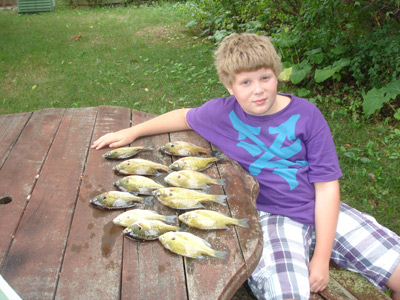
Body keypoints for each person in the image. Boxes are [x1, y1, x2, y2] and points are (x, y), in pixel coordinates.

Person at [91, 33, 400, 300]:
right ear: (230, 87)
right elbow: (184, 115)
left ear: (277, 75)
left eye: (265, 78)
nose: (258, 90)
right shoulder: (222, 113)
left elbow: (328, 186)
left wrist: (320, 259)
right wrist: (133, 132)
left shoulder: (307, 115)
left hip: (321, 207)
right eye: (246, 82)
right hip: (272, 217)